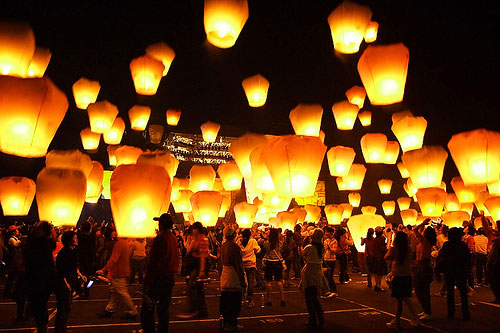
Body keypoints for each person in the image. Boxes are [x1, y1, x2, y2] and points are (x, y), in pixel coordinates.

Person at [140, 214, 179, 333]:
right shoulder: (173, 237)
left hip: (158, 279)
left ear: (161, 224)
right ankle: (163, 330)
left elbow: (155, 262)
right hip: (169, 278)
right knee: (163, 309)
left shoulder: (161, 239)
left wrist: (147, 281)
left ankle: (149, 330)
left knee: (148, 307)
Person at [24, 221, 57, 333]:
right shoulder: (44, 245)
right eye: (52, 230)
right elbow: (48, 266)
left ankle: (35, 320)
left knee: (38, 307)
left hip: (33, 281)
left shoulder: (30, 243)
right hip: (41, 282)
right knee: (41, 310)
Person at [385, 231, 420, 329]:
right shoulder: (408, 249)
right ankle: (404, 319)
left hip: (398, 276)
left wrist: (389, 250)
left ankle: (400, 320)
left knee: (400, 299)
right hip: (407, 275)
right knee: (405, 298)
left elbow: (387, 257)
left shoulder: (394, 249)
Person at [96, 235, 137, 319]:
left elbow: (114, 258)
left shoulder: (120, 244)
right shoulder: (127, 243)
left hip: (119, 272)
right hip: (123, 271)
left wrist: (104, 269)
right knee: (115, 291)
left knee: (122, 293)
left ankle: (132, 311)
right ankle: (109, 310)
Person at [435, 227, 471, 320]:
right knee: (463, 293)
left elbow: (442, 257)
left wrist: (439, 269)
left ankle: (451, 313)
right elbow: (467, 258)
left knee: (450, 293)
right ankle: (465, 314)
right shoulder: (462, 245)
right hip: (461, 271)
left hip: (449, 271)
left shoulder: (447, 245)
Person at [55, 231, 86, 333]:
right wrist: (66, 283)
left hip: (70, 281)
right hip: (63, 282)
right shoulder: (64, 253)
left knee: (67, 307)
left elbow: (74, 266)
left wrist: (80, 275)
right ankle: (59, 329)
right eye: (75, 238)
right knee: (63, 307)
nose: (77, 240)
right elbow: (61, 270)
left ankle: (63, 328)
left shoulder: (73, 251)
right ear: (69, 240)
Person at [178, 221, 209, 318]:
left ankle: (197, 310)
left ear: (198, 230)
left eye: (194, 229)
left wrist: (202, 271)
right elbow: (188, 250)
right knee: (197, 289)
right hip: (195, 266)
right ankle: (201, 311)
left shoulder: (203, 239)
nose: (193, 231)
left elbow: (203, 255)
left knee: (193, 287)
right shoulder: (196, 239)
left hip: (199, 266)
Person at [220, 226, 247, 332]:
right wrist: (242, 280)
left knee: (226, 301)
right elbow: (238, 265)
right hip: (233, 275)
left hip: (224, 274)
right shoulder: (234, 247)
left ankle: (226, 323)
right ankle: (232, 324)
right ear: (233, 235)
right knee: (235, 302)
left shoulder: (223, 246)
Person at [301, 229, 325, 329]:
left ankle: (313, 319)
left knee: (309, 297)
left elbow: (302, 254)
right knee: (314, 297)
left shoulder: (309, 247)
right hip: (318, 273)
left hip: (309, 273)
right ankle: (320, 317)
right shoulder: (322, 248)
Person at [412, 218, 436, 320]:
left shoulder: (425, 242)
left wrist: (423, 223)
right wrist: (423, 225)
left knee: (421, 290)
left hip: (423, 266)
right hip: (421, 265)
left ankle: (428, 312)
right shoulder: (425, 241)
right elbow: (417, 231)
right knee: (421, 289)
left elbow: (415, 230)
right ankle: (426, 310)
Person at [263, 228, 285, 306]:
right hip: (278, 263)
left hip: (269, 263)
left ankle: (269, 300)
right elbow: (281, 251)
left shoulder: (266, 243)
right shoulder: (280, 243)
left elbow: (265, 250)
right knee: (279, 281)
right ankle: (282, 299)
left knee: (268, 282)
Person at [239, 228, 260, 308]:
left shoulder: (239, 242)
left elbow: (238, 252)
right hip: (251, 264)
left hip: (242, 264)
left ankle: (242, 298)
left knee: (242, 282)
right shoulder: (253, 241)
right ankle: (250, 300)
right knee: (250, 283)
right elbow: (258, 250)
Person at [77, 220, 95, 299]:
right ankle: (87, 290)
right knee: (89, 277)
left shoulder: (79, 238)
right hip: (90, 259)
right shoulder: (92, 238)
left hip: (81, 259)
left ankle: (81, 291)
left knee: (81, 276)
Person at [4, 225, 23, 298]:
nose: (18, 231)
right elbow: (17, 244)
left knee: (14, 278)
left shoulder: (15, 238)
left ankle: (10, 292)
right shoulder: (11, 239)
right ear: (13, 232)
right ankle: (8, 293)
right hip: (13, 261)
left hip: (15, 260)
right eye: (17, 230)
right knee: (12, 278)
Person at [371, 227, 388, 292]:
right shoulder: (382, 238)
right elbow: (383, 248)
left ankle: (376, 284)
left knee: (376, 272)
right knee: (380, 272)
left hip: (375, 257)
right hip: (380, 257)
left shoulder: (374, 239)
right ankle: (379, 285)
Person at [323, 226, 338, 295]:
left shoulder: (334, 241)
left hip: (332, 259)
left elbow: (334, 251)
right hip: (326, 258)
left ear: (331, 233)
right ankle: (329, 289)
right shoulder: (326, 241)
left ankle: (333, 290)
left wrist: (329, 248)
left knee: (330, 275)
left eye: (327, 232)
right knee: (326, 275)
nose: (326, 234)